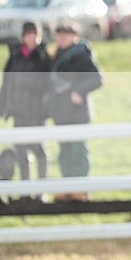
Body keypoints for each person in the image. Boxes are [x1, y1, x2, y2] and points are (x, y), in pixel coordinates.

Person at [46, 24, 103, 201]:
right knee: (64, 152)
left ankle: (81, 189)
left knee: (78, 151)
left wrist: (79, 91)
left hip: (77, 113)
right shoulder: (56, 56)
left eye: (66, 35)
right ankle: (67, 187)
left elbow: (96, 78)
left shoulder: (81, 54)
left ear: (75, 36)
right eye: (60, 35)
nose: (62, 38)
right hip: (61, 113)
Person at [0, 22, 51, 184]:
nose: (32, 38)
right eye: (29, 34)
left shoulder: (44, 57)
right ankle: (25, 188)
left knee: (39, 149)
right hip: (19, 111)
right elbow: (6, 81)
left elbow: (49, 83)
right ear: (23, 37)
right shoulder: (15, 57)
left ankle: (42, 187)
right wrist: (3, 104)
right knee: (21, 150)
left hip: (37, 111)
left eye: (35, 34)